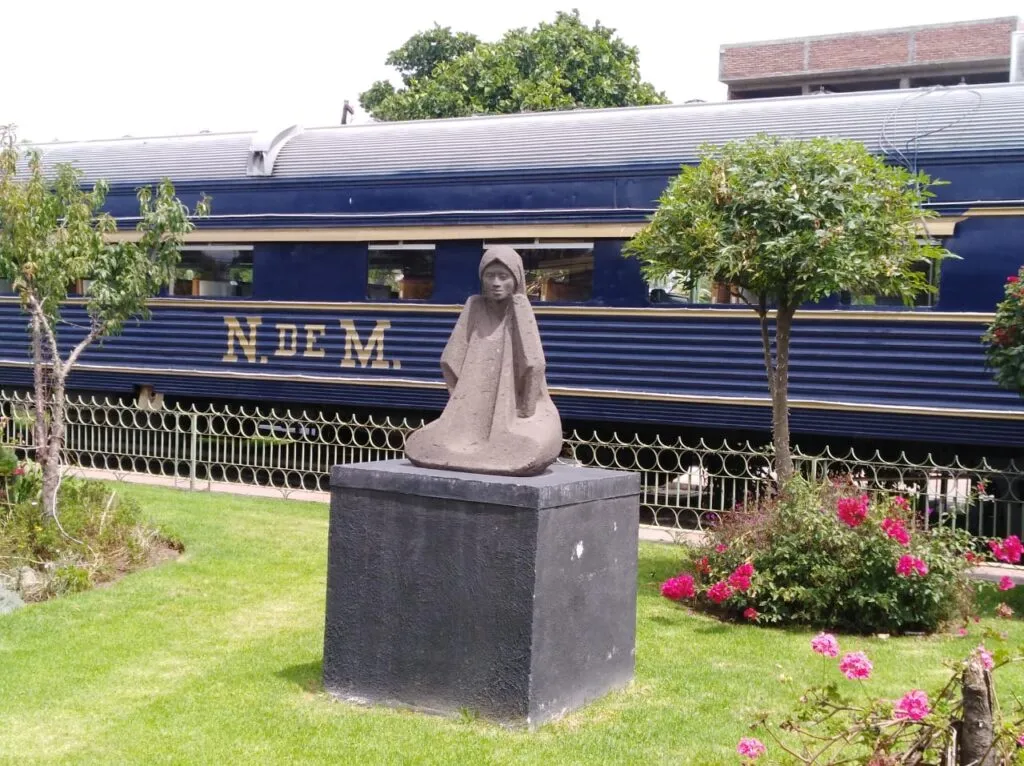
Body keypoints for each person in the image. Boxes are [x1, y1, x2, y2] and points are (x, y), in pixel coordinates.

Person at [405, 246, 562, 476]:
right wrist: (460, 399)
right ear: (482, 279)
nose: (496, 283)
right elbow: (450, 359)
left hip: (514, 409)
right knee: (426, 443)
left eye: (503, 276)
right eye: (490, 276)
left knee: (532, 444)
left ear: (516, 280)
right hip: (469, 404)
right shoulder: (474, 306)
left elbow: (533, 364)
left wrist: (526, 410)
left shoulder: (519, 308)